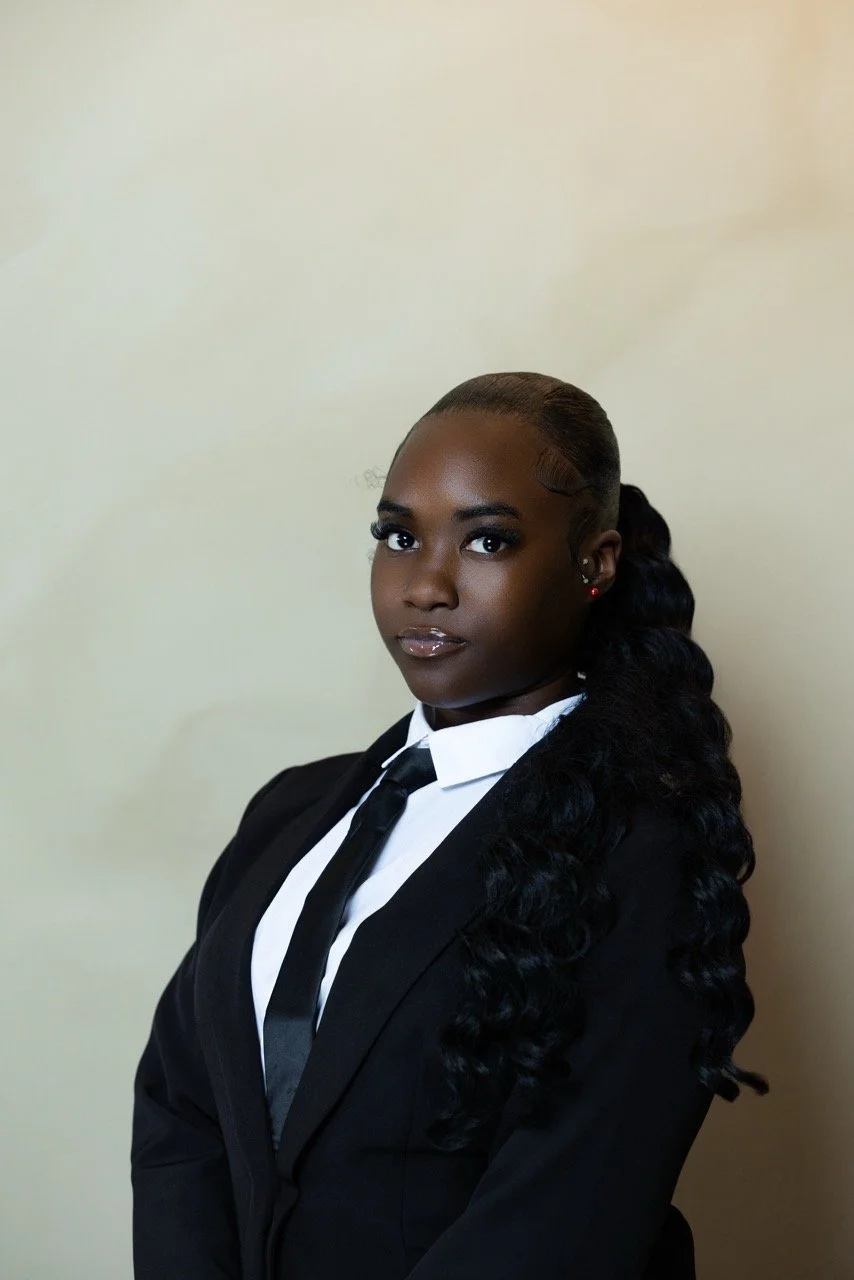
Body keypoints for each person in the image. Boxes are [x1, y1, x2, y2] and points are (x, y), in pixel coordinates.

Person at [131, 372, 768, 1280]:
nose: (425, 585)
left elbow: (568, 1210)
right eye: (399, 536)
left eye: (488, 540)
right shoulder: (289, 812)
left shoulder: (642, 848)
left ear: (595, 563)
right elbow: (182, 1104)